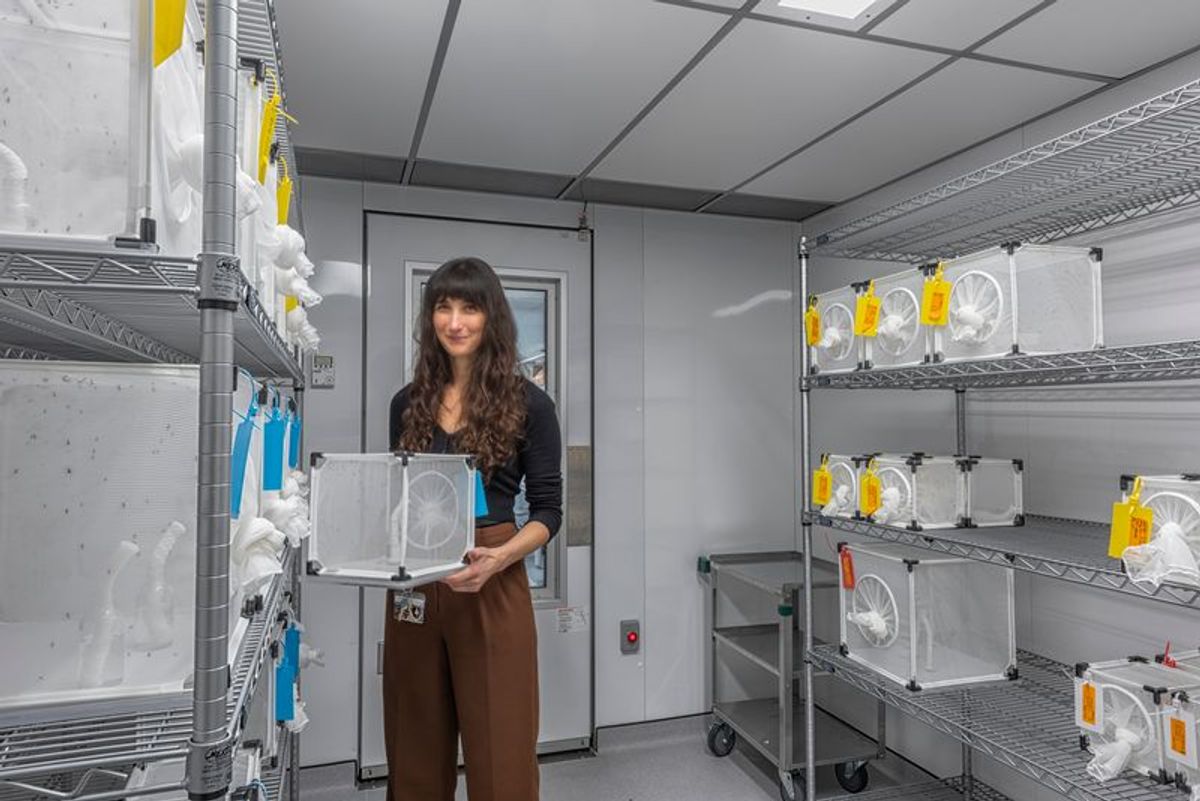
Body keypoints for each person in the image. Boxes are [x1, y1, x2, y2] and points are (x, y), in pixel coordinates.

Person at [384, 257, 563, 801]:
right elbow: (399, 496)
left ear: (492, 318)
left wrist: (501, 558)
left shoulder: (529, 404)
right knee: (413, 744)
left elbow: (550, 512)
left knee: (501, 748)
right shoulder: (407, 403)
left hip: (494, 572)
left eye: (469, 307)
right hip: (417, 579)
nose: (455, 322)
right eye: (443, 307)